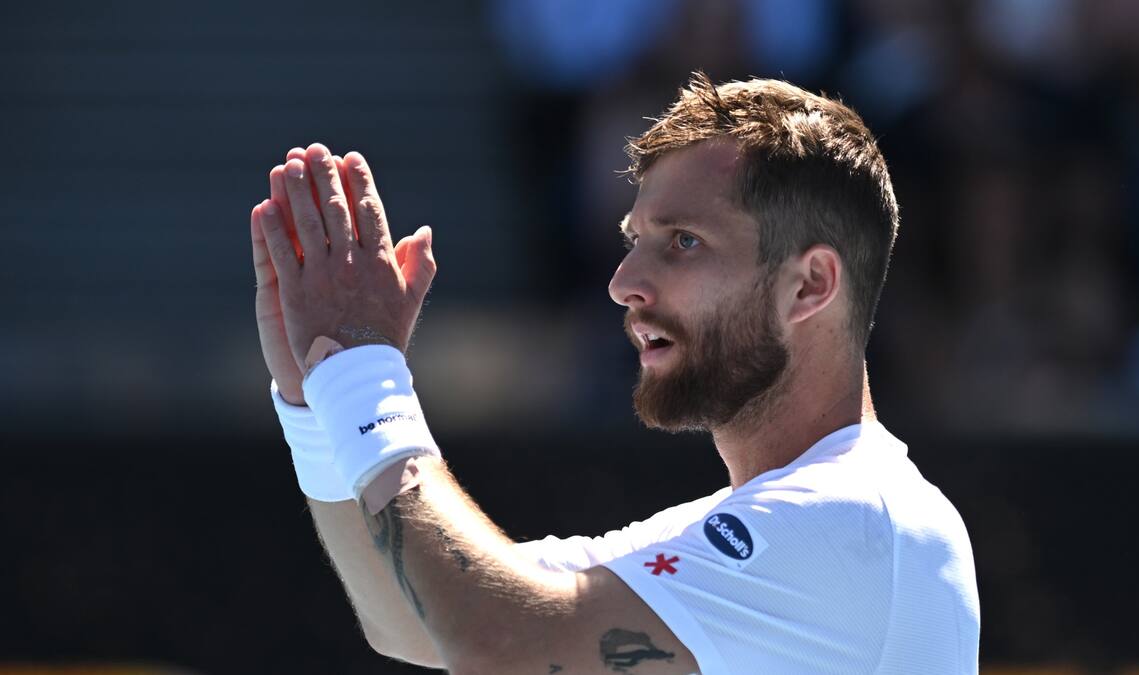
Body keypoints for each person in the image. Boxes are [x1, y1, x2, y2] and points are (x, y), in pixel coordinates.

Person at [249, 72, 980, 674]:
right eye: (634, 241)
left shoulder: (854, 522)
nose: (623, 280)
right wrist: (319, 402)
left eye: (684, 242)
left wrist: (367, 377)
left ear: (810, 285)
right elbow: (411, 617)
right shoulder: (790, 526)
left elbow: (497, 641)